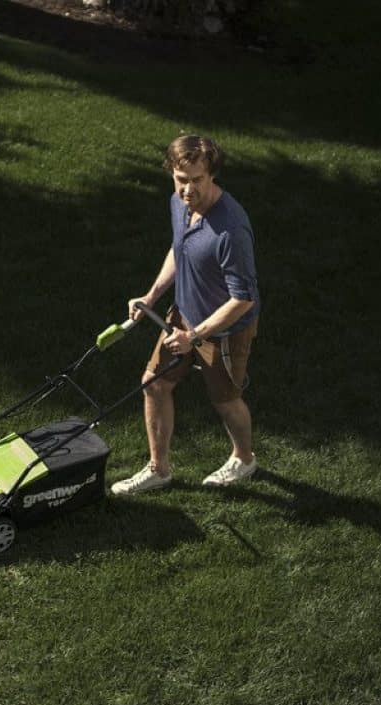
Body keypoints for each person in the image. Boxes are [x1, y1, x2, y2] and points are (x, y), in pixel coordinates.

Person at [112, 135, 260, 495]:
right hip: (184, 315)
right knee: (154, 384)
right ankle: (158, 469)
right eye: (182, 180)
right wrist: (150, 297)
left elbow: (243, 299)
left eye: (197, 180)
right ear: (172, 173)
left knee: (225, 401)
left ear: (212, 176)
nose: (188, 189)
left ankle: (244, 458)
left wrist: (195, 337)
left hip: (226, 331)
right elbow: (181, 249)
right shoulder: (179, 205)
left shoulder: (230, 229)